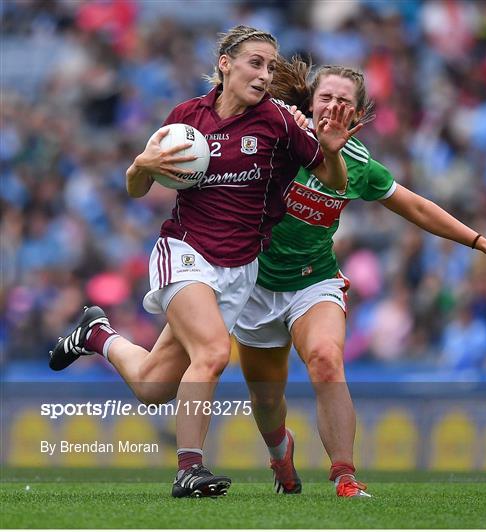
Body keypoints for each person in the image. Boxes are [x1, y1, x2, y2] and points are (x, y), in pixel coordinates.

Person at [48, 26, 359, 499]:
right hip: (185, 253)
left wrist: (333, 153)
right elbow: (137, 188)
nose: (264, 74)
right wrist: (141, 167)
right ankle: (188, 469)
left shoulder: (279, 122)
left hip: (239, 272)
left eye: (271, 66)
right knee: (213, 353)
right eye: (255, 62)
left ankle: (97, 334)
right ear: (225, 63)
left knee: (155, 387)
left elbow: (333, 180)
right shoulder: (185, 119)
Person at [232, 60, 486, 498]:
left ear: (359, 113)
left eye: (344, 101)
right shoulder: (277, 137)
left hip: (315, 281)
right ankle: (280, 452)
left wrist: (479, 241)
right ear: (310, 102)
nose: (333, 106)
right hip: (256, 284)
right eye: (326, 97)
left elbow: (418, 207)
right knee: (267, 399)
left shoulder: (358, 163)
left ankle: (345, 477)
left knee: (327, 361)